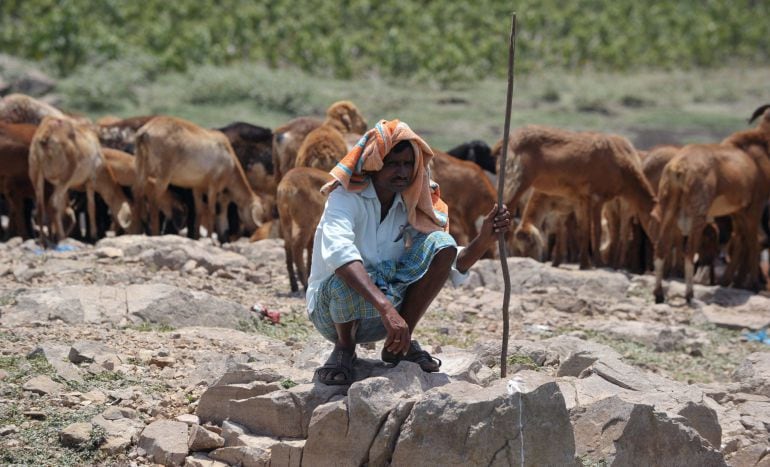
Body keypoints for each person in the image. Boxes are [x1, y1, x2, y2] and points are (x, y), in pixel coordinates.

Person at [306, 119, 511, 385]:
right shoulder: (345, 197)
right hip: (332, 312)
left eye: (407, 164)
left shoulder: (409, 202)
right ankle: (344, 349)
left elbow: (448, 259)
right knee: (346, 274)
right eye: (393, 164)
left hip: (385, 314)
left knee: (442, 243)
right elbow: (340, 255)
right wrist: (387, 310)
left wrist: (483, 241)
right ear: (375, 164)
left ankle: (398, 346)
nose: (402, 172)